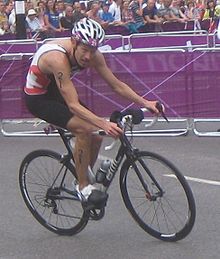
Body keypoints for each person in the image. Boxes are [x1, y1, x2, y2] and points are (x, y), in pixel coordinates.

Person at [24, 18, 160, 206]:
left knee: (96, 136)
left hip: (58, 91)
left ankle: (82, 175)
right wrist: (103, 123)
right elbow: (72, 105)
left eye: (93, 50)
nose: (88, 56)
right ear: (74, 42)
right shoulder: (57, 58)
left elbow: (116, 85)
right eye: (85, 49)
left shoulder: (94, 54)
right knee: (84, 129)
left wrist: (146, 102)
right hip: (39, 98)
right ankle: (82, 187)